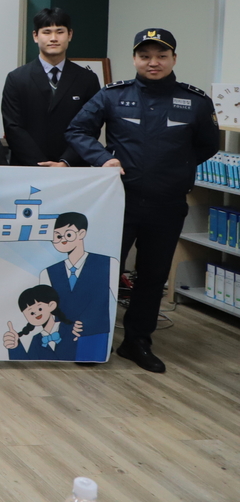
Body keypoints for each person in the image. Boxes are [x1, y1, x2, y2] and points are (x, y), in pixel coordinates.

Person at [66, 28, 220, 373]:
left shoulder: (195, 101)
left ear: (174, 59)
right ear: (135, 59)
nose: (153, 62)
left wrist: (175, 168)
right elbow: (77, 130)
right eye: (145, 56)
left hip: (168, 203)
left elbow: (208, 145)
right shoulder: (113, 95)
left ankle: (137, 341)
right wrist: (102, 159)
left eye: (161, 56)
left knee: (153, 275)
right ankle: (92, 338)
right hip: (120, 201)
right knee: (106, 272)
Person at [1, 7, 100, 168]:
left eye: (60, 32)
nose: (53, 38)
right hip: (28, 168)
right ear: (35, 36)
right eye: (46, 32)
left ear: (70, 35)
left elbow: (91, 127)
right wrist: (40, 165)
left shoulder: (87, 79)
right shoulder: (17, 78)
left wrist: (66, 162)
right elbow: (13, 128)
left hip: (73, 168)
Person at [38, 212, 115, 363]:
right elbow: (47, 313)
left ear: (81, 233)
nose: (63, 240)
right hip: (63, 337)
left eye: (68, 234)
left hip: (95, 334)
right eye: (57, 236)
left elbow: (111, 301)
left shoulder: (108, 263)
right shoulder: (48, 272)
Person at [2, 285, 79, 361]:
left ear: (51, 305)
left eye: (40, 309)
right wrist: (15, 347)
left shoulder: (73, 329)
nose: (36, 313)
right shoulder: (36, 340)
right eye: (31, 313)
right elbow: (28, 365)